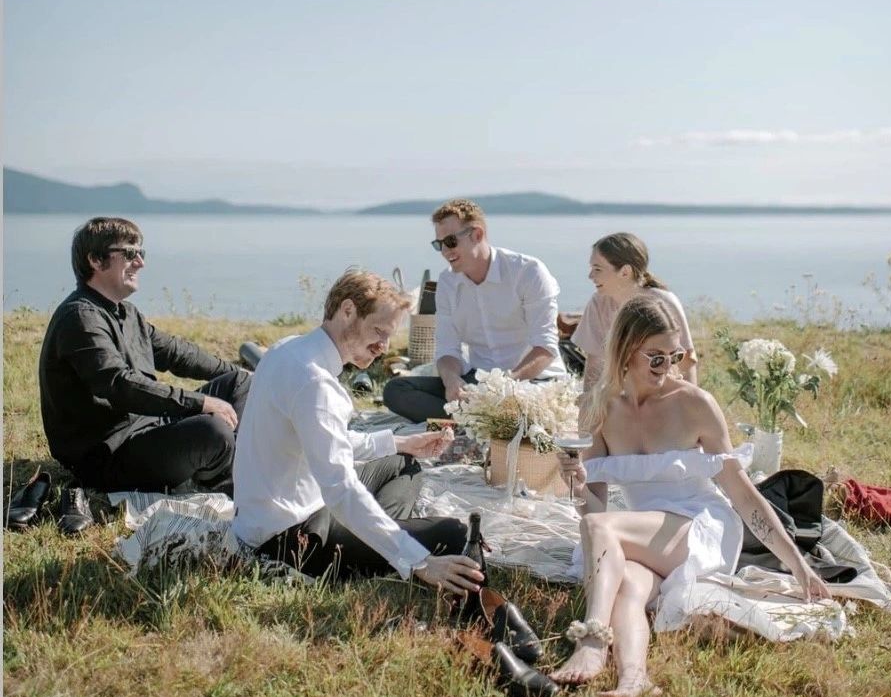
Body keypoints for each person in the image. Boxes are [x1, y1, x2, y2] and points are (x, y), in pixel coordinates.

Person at [552, 293, 831, 697]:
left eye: (675, 355)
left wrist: (799, 565)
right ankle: (634, 679)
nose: (669, 368)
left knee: (601, 527)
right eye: (657, 357)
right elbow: (591, 506)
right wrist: (576, 484)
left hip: (701, 523)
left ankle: (592, 640)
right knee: (627, 584)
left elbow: (743, 494)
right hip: (644, 531)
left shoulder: (695, 404)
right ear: (627, 351)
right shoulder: (598, 408)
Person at [233, 268, 483, 594]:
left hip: (275, 513)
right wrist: (420, 562)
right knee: (454, 532)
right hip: (292, 539)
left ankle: (378, 538)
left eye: (389, 335)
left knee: (403, 463)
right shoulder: (316, 383)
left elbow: (321, 438)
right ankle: (386, 545)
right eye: (379, 331)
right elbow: (340, 489)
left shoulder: (287, 348)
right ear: (347, 311)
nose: (384, 345)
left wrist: (402, 442)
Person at [39, 217, 252, 493]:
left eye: (141, 253)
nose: (140, 262)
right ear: (95, 259)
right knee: (214, 432)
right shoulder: (79, 317)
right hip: (109, 454)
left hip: (146, 428)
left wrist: (239, 372)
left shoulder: (127, 314)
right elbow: (120, 384)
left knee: (238, 382)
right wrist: (200, 402)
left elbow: (178, 354)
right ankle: (234, 486)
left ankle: (233, 465)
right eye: (129, 254)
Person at [382, 199, 566, 423]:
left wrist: (506, 385)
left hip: (532, 382)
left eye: (450, 241)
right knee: (396, 391)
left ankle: (472, 421)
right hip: (478, 384)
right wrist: (452, 382)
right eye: (438, 244)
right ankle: (483, 421)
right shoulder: (447, 283)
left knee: (527, 408)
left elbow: (545, 347)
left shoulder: (528, 272)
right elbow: (447, 350)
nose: (445, 251)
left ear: (477, 235)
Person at [572, 233, 697, 406]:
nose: (590, 276)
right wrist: (589, 408)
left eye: (597, 269)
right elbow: (595, 364)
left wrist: (688, 411)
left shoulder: (663, 302)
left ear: (625, 272)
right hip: (621, 404)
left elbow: (686, 362)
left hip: (665, 401)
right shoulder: (598, 303)